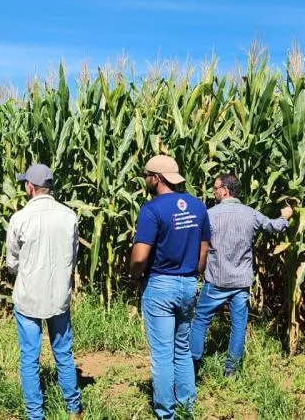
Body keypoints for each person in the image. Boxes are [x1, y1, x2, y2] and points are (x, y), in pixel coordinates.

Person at [129, 155, 210, 420]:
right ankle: (187, 407)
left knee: (162, 355)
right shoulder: (198, 207)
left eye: (146, 175)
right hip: (188, 284)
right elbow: (204, 250)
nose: (145, 180)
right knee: (182, 350)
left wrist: (135, 276)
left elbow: (140, 256)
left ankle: (166, 413)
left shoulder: (151, 210)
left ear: (157, 178)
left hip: (161, 285)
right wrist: (193, 275)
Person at [190, 173, 292, 377]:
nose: (213, 192)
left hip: (216, 280)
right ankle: (231, 371)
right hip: (240, 282)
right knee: (238, 326)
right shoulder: (251, 214)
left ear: (225, 191)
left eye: (215, 188)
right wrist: (285, 216)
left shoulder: (209, 215)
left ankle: (192, 365)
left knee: (200, 320)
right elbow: (274, 227)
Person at [5, 164, 83, 420]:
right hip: (59, 295)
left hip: (28, 296)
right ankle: (73, 409)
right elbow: (72, 256)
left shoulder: (20, 218)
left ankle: (35, 414)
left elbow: (12, 263)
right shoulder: (69, 216)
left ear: (30, 187)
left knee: (30, 357)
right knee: (63, 352)